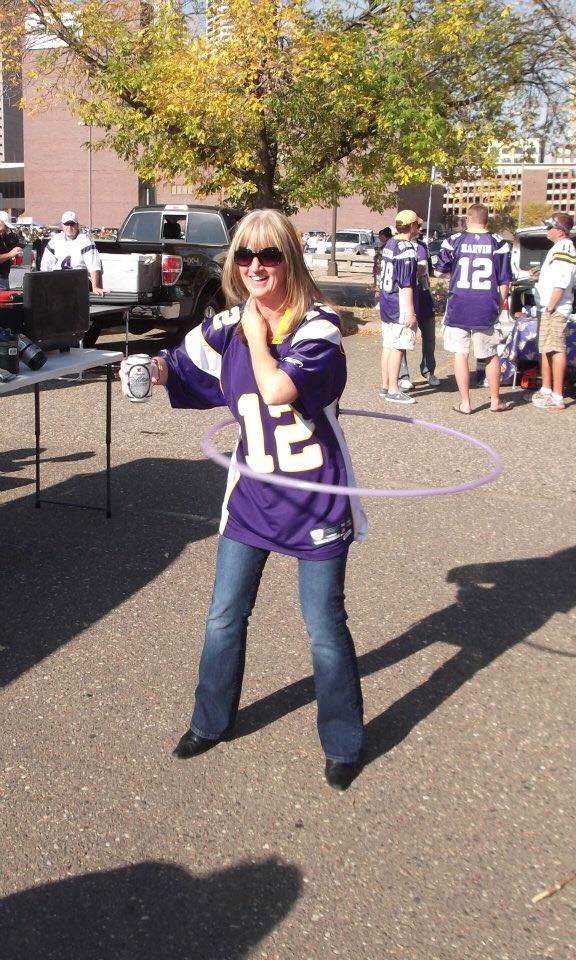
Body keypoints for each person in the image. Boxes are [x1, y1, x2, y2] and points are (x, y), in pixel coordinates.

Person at [121, 209, 367, 791]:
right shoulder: (225, 325)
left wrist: (257, 336)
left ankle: (343, 742)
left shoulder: (319, 328)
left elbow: (280, 389)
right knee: (223, 617)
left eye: (270, 255)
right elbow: (181, 364)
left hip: (316, 505)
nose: (256, 266)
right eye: (245, 256)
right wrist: (148, 369)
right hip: (252, 498)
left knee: (325, 628)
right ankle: (209, 722)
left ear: (290, 260)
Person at [435, 203, 512, 414]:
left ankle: (466, 403)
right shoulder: (499, 243)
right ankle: (495, 401)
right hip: (486, 305)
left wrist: (456, 274)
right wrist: (499, 305)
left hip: (459, 303)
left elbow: (439, 272)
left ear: (468, 219)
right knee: (489, 354)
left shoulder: (453, 241)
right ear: (487, 220)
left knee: (460, 353)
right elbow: (504, 281)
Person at [531, 212, 576, 411]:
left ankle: (557, 396)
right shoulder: (558, 248)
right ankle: (546, 390)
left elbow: (562, 280)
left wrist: (551, 306)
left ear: (559, 230)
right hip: (550, 307)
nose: (547, 230)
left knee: (556, 349)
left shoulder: (565, 247)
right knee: (546, 349)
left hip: (556, 308)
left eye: (550, 227)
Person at [376, 210, 419, 405]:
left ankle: (386, 385)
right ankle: (394, 388)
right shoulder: (406, 248)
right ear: (411, 227)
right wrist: (410, 311)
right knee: (399, 346)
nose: (419, 229)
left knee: (388, 344)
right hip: (398, 302)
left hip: (386, 300)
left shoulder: (389, 244)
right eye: (417, 225)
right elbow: (405, 283)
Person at [40, 211, 105, 296]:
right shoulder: (55, 240)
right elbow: (46, 265)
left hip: (79, 282)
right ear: (62, 226)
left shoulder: (85, 240)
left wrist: (95, 287)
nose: (69, 227)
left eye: (72, 224)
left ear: (77, 225)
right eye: (67, 224)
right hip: (59, 280)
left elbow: (94, 266)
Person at [0, 213, 23, 292]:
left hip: (4, 279)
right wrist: (10, 254)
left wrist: (15, 254)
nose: (6, 229)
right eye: (5, 226)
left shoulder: (4, 237)